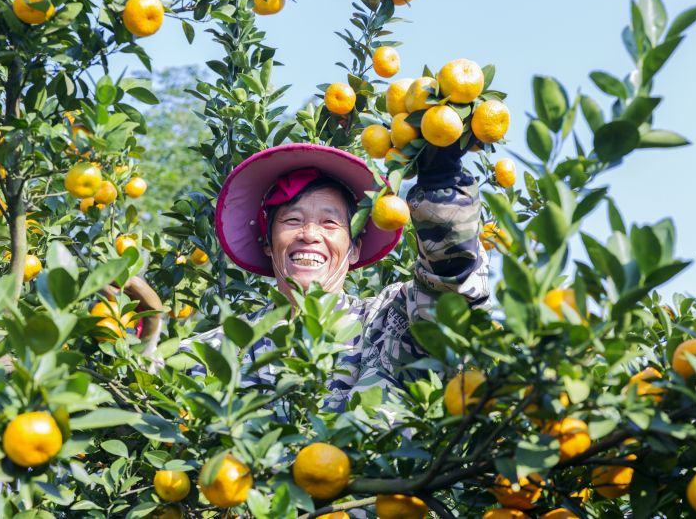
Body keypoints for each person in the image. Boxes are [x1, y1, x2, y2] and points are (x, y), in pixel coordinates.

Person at [179, 142, 489, 411]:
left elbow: (451, 293)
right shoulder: (214, 352)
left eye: (329, 223)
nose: (310, 234)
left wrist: (442, 186)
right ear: (268, 246)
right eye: (292, 219)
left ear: (354, 249)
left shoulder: (387, 322)